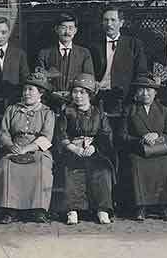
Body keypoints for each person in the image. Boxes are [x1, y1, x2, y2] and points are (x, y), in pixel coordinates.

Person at [0, 70, 56, 223]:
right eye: (25, 89)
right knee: (6, 166)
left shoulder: (47, 113)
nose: (26, 93)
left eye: (31, 90)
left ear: (40, 93)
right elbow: (3, 132)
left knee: (42, 166)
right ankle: (8, 210)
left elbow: (46, 138)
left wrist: (28, 148)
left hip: (37, 150)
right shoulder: (12, 109)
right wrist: (10, 145)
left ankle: (38, 209)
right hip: (14, 147)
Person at [54, 73, 116, 225]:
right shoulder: (66, 112)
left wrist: (94, 147)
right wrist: (73, 148)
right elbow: (60, 134)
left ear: (90, 95)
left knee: (102, 170)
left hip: (95, 152)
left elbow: (106, 134)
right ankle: (72, 210)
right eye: (75, 92)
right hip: (72, 151)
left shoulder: (99, 113)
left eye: (82, 92)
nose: (78, 96)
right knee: (72, 171)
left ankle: (102, 209)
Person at [123, 73, 167, 221]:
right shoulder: (130, 110)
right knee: (137, 165)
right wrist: (141, 139)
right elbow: (122, 136)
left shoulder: (165, 111)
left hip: (160, 150)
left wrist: (157, 137)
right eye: (141, 90)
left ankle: (164, 206)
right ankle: (141, 207)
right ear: (137, 93)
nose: (145, 93)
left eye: (149, 90)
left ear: (155, 92)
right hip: (139, 150)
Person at [91, 8, 147, 114]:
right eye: (106, 20)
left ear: (121, 23)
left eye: (113, 20)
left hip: (125, 97)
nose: (109, 24)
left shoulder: (133, 44)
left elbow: (141, 72)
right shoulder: (94, 45)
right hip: (100, 96)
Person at [35, 13, 94, 97]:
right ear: (56, 29)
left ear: (75, 30)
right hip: (51, 99)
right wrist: (52, 93)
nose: (67, 32)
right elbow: (39, 80)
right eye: (63, 28)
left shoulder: (84, 53)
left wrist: (72, 93)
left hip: (76, 99)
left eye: (70, 28)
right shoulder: (44, 53)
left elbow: (89, 80)